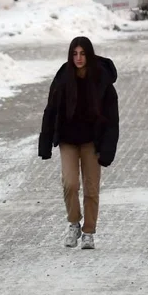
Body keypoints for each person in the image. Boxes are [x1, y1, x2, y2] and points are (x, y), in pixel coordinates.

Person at [39, 37, 119, 250]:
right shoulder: (63, 78)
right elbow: (51, 111)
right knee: (70, 183)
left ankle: (89, 232)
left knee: (91, 189)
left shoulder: (102, 81)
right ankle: (74, 222)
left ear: (89, 55)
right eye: (75, 54)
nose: (78, 58)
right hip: (68, 141)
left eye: (82, 54)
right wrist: (45, 143)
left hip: (92, 142)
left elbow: (112, 120)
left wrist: (108, 150)